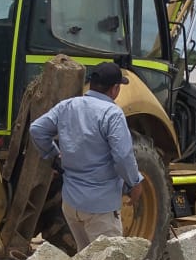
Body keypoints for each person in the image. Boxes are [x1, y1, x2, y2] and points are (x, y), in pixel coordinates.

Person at [29, 61, 146, 249]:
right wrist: (135, 182)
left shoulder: (67, 106)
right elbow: (123, 156)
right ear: (115, 89)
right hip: (100, 208)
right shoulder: (112, 113)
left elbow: (37, 130)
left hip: (71, 205)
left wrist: (54, 155)